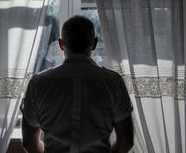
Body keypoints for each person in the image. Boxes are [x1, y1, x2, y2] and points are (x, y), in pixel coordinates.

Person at [21, 15, 134, 152]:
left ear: (61, 44)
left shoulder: (38, 84)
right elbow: (126, 141)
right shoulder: (113, 82)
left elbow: (29, 142)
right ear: (94, 43)